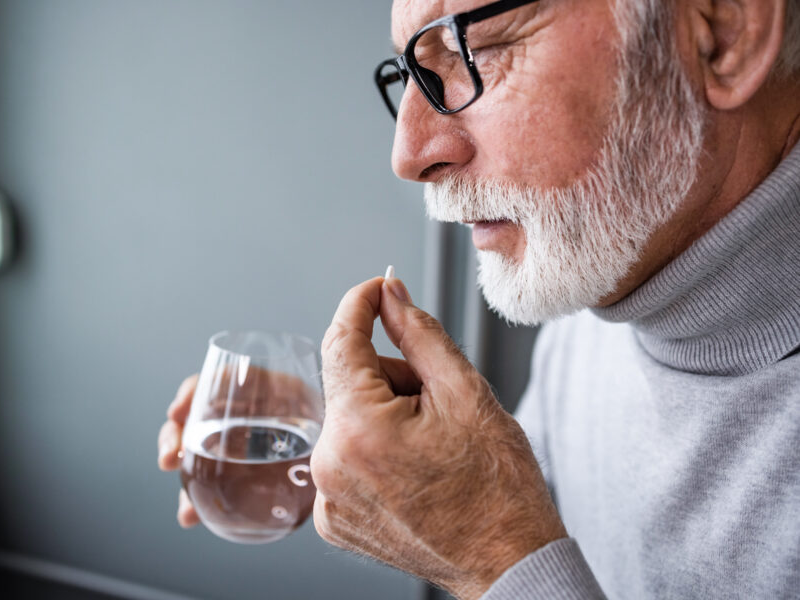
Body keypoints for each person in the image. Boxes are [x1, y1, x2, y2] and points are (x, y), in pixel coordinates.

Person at [158, 0, 800, 597]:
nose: (409, 155)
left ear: (724, 31)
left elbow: (512, 538)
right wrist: (344, 441)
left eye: (474, 49)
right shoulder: (602, 288)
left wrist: (492, 558)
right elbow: (540, 513)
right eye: (410, 72)